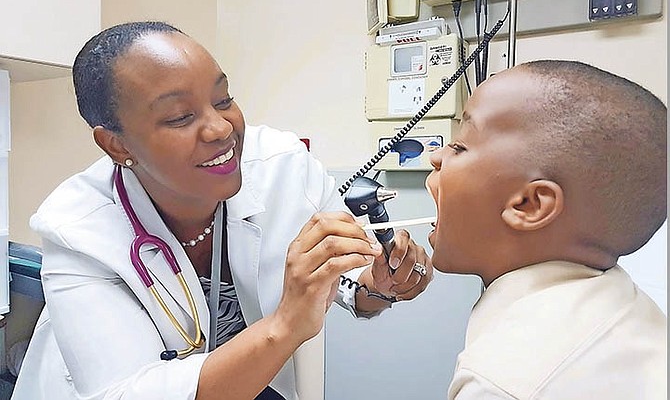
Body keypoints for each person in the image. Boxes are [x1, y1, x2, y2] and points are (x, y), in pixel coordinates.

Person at [12, 21, 433, 400]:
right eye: (180, 117)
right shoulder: (75, 229)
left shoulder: (284, 168)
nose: (220, 128)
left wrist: (378, 285)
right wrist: (284, 326)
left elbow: (342, 282)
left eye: (224, 98)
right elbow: (125, 391)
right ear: (117, 145)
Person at [425, 60, 667, 399]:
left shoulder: (502, 383)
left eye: (460, 145)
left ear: (530, 205)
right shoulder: (628, 314)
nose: (436, 156)